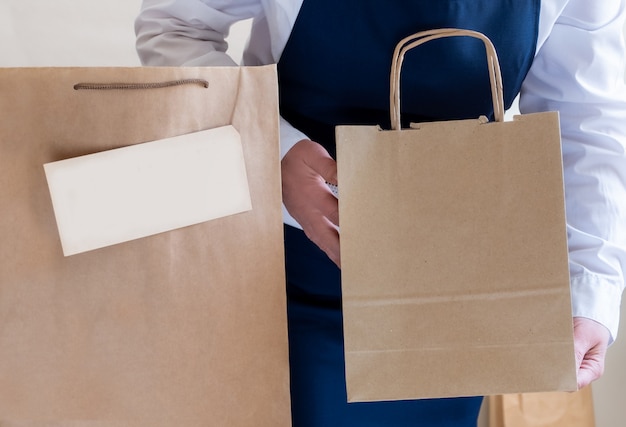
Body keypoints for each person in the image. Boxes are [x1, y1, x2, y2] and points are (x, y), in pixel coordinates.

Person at [135, 1, 626, 426]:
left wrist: (591, 288)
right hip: (281, 267)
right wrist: (267, 151)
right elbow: (176, 27)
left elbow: (587, 117)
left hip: (459, 297)